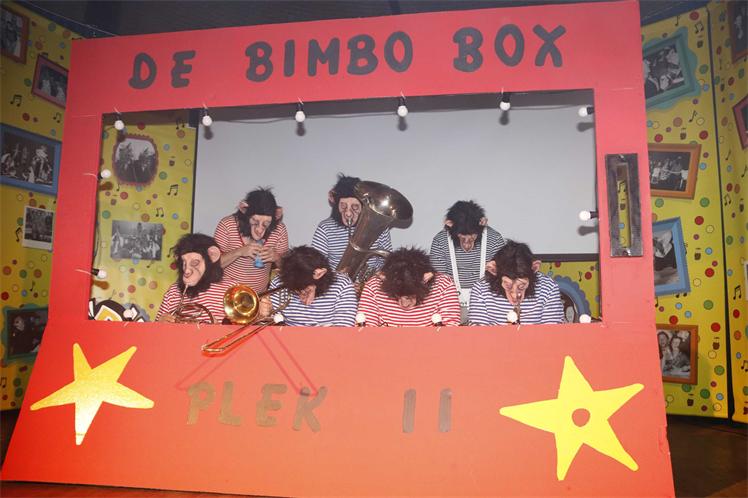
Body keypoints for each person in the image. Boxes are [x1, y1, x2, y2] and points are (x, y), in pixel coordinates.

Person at [429, 200, 505, 322]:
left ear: (482, 223)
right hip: (449, 302)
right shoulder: (440, 241)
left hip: (487, 302)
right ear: (449, 225)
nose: (467, 245)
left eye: (472, 237)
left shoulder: (494, 239)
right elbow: (439, 282)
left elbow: (500, 278)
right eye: (462, 237)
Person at [311, 173, 392, 275]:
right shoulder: (325, 228)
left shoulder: (380, 228)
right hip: (336, 283)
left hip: (371, 282)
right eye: (343, 206)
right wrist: (338, 278)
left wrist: (373, 279)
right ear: (336, 205)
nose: (348, 213)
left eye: (355, 207)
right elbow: (316, 266)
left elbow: (387, 262)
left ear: (364, 207)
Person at [357, 248, 461, 327]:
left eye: (409, 297)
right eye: (397, 296)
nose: (404, 304)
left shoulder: (443, 285)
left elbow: (450, 333)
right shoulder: (374, 286)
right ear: (384, 278)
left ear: (426, 279)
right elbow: (365, 335)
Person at [468, 240, 564, 325]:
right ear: (493, 270)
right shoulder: (481, 289)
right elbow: (478, 336)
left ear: (534, 268)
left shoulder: (548, 288)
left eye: (521, 286)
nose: (514, 295)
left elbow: (553, 334)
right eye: (508, 285)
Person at [260, 246, 357, 326]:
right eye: (295, 291)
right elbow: (270, 324)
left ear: (319, 274)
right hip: (287, 338)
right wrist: (264, 315)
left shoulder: (342, 284)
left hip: (329, 339)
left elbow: (344, 328)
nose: (302, 299)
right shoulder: (280, 282)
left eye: (304, 289)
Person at [214, 188, 288, 292]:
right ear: (244, 209)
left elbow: (288, 269)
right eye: (255, 221)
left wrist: (276, 257)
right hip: (226, 293)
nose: (259, 230)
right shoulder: (228, 225)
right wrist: (239, 252)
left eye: (266, 224)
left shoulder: (278, 229)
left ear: (276, 215)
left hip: (259, 295)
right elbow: (212, 266)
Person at [157, 234, 237, 323]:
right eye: (184, 263)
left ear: (212, 257)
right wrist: (160, 323)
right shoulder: (173, 292)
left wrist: (219, 328)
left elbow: (244, 328)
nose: (186, 270)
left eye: (195, 263)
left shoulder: (232, 290)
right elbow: (154, 329)